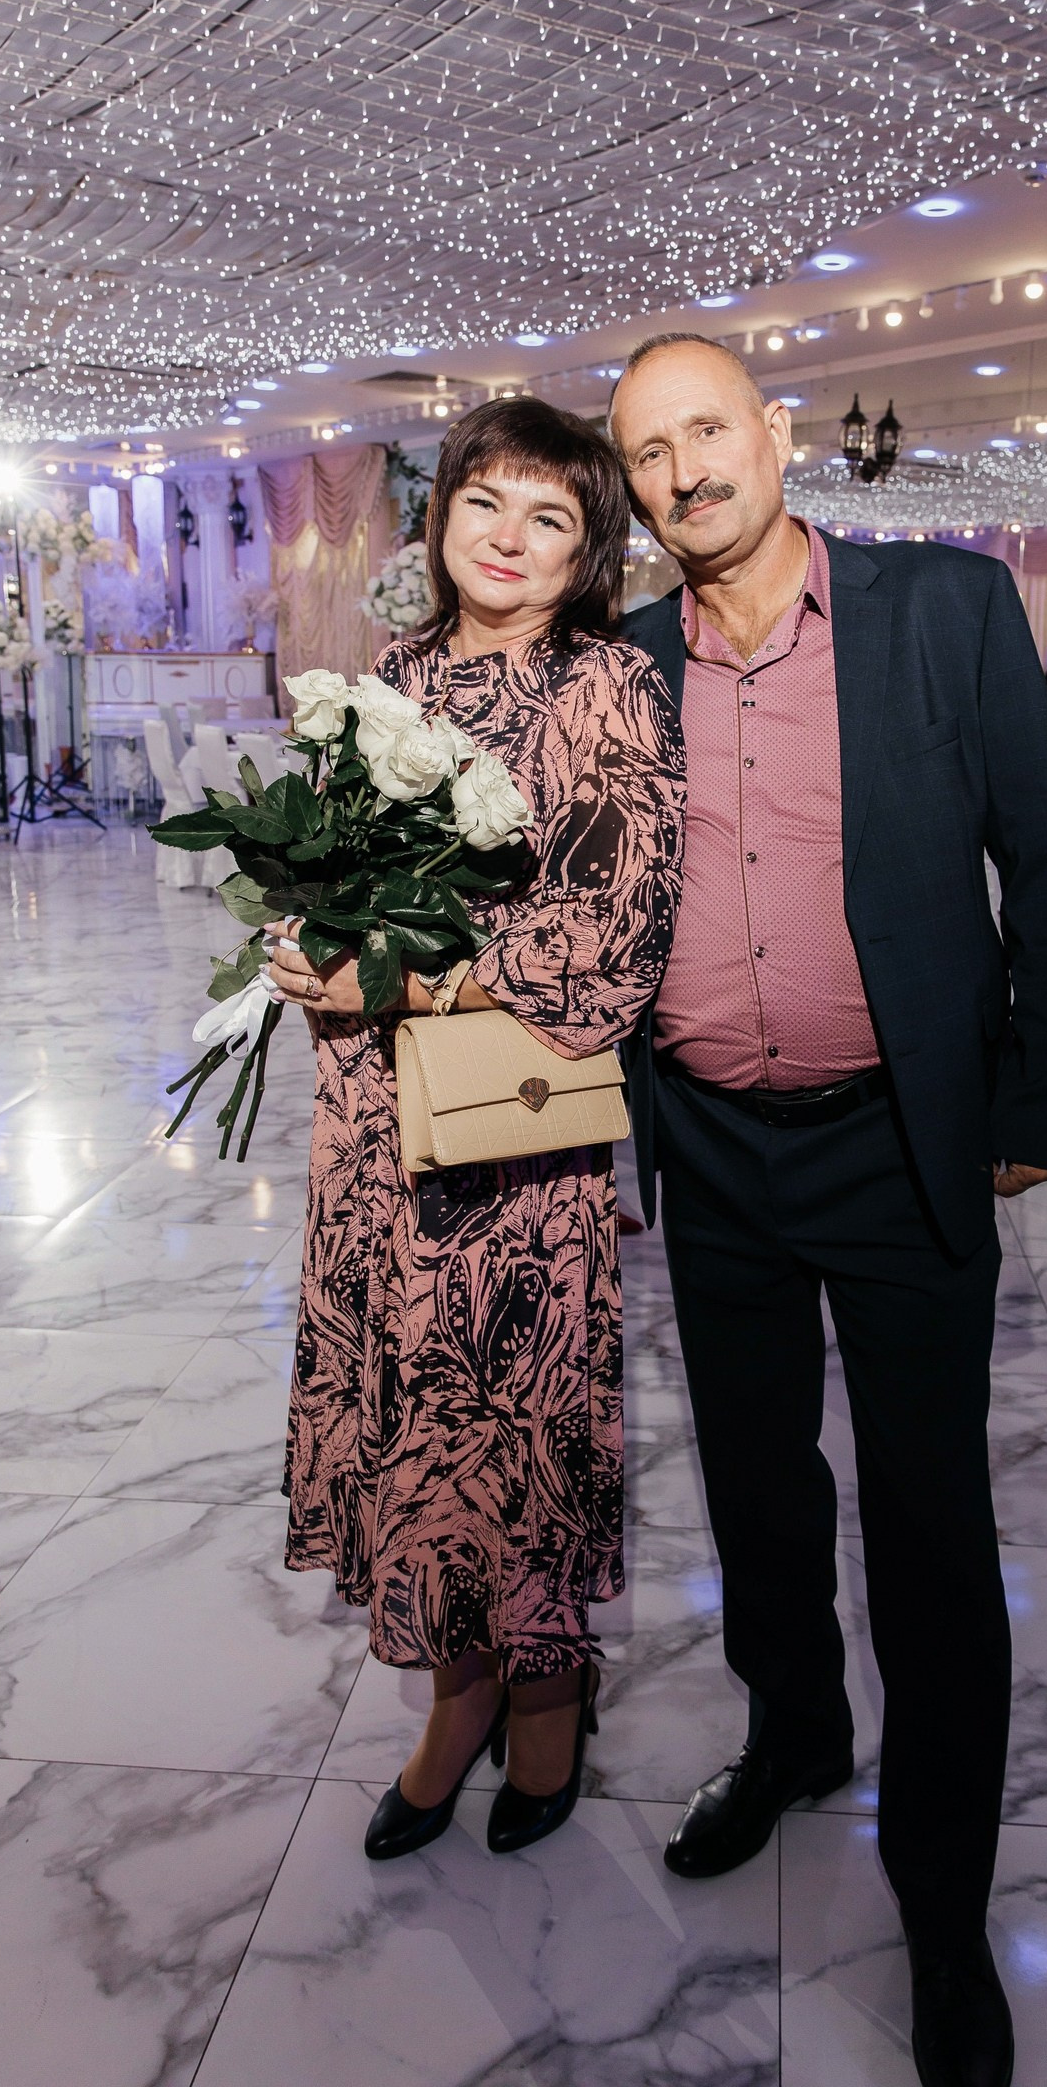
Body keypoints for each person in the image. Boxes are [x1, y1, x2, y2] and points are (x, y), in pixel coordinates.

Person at [610, 335, 1047, 2087]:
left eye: (706, 431)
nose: (684, 471)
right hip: (712, 1148)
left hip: (901, 1143)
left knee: (929, 1528)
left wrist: (1037, 1102)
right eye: (649, 452)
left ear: (775, 433)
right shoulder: (627, 661)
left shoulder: (941, 610)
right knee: (755, 1490)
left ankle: (943, 1911)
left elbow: (1046, 856)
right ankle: (797, 1733)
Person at [267, 398, 685, 1861]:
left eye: (549, 516)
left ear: (589, 550)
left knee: (505, 1419)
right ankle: (464, 1694)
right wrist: (303, 938)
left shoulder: (605, 684)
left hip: (512, 1137)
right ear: (441, 515)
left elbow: (617, 933)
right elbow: (340, 874)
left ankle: (545, 1693)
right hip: (372, 1125)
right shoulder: (390, 677)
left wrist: (412, 974)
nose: (509, 539)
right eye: (485, 504)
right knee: (410, 1417)